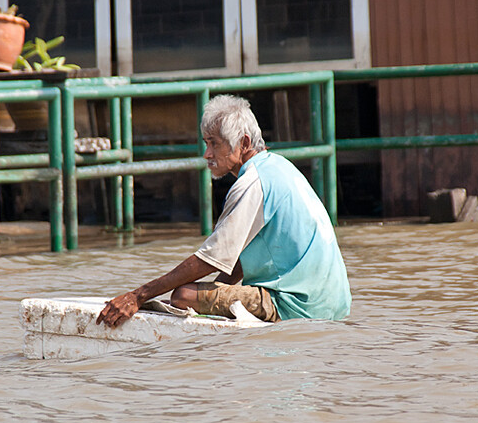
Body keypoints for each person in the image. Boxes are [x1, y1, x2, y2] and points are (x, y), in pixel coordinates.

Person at [96, 94, 351, 328]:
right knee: (198, 293)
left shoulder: (252, 183)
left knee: (183, 295)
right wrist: (216, 291)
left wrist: (137, 296)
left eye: (214, 144)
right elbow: (237, 254)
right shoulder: (279, 166)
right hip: (333, 302)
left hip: (297, 303)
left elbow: (211, 258)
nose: (207, 154)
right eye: (206, 143)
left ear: (244, 143)